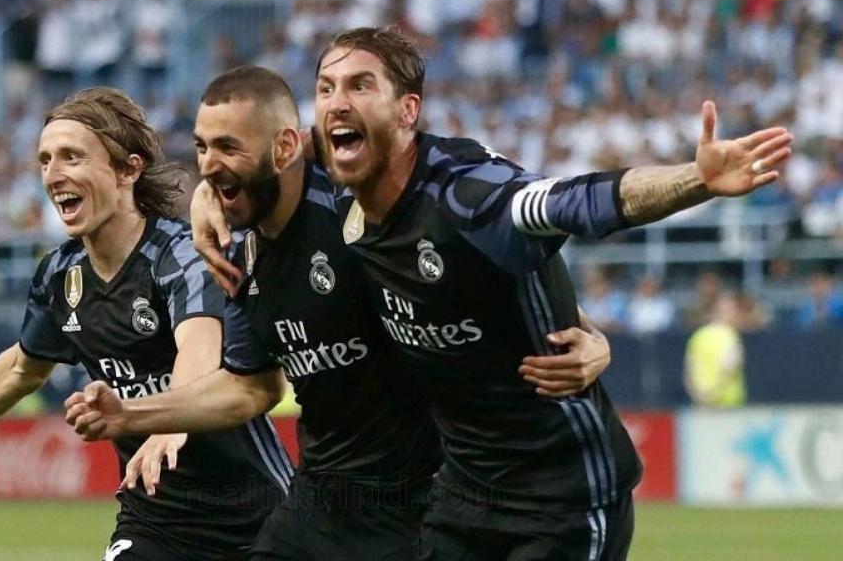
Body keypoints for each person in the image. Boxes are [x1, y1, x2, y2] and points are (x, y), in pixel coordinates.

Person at [192, 26, 792, 560]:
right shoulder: (345, 185)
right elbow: (267, 153)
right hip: (464, 497)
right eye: (325, 88)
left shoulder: (466, 195)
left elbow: (573, 201)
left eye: (360, 85)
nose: (337, 101)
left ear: (407, 111)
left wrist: (696, 180)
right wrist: (208, 193)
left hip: (561, 496)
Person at [65, 66, 614, 561]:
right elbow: (250, 387)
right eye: (202, 148)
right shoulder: (237, 249)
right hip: (323, 495)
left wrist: (582, 330)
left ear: (284, 148)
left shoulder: (353, 210)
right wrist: (132, 415)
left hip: (420, 498)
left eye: (227, 147)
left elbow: (477, 262)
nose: (208, 167)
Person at [0, 87, 290, 561]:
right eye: (45, 160)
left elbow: (199, 344)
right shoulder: (61, 274)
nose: (53, 174)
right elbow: (22, 369)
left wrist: (168, 424)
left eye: (72, 157)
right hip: (153, 520)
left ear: (128, 170)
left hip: (254, 519)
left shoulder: (180, 254)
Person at [684, 291, 747, 408]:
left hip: (702, 403)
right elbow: (731, 366)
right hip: (728, 404)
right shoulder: (730, 335)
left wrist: (700, 397)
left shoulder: (698, 335)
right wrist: (714, 393)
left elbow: (689, 372)